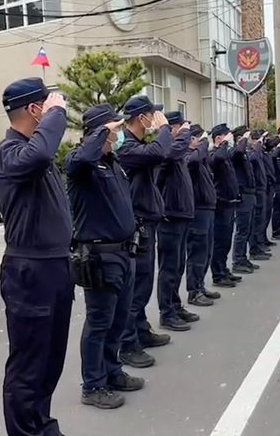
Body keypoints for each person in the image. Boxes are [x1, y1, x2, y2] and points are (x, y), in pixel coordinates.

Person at [0, 78, 73, 436]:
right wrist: (57, 115)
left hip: (55, 267)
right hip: (30, 272)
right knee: (29, 366)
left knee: (50, 361)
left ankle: (43, 427)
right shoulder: (8, 153)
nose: (56, 109)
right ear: (35, 109)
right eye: (48, 103)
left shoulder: (35, 150)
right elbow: (38, 156)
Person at [65, 104, 143, 410]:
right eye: (116, 128)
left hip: (124, 253)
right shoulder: (81, 162)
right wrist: (101, 132)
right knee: (99, 323)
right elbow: (84, 156)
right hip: (99, 257)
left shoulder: (113, 162)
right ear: (100, 130)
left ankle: (112, 371)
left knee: (118, 319)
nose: (121, 132)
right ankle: (93, 384)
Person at [117, 95, 172, 369]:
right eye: (153, 115)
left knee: (143, 283)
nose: (156, 119)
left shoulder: (138, 145)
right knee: (135, 288)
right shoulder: (127, 147)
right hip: (137, 226)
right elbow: (159, 153)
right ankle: (127, 344)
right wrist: (164, 130)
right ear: (142, 118)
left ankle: (140, 330)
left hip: (147, 222)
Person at [155, 111, 197, 331]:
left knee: (178, 265)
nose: (184, 132)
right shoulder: (166, 150)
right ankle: (166, 312)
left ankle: (175, 304)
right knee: (169, 268)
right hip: (169, 217)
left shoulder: (176, 152)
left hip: (180, 215)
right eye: (179, 127)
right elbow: (173, 153)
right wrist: (184, 133)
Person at [184, 124, 220, 306]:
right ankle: (193, 291)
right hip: (197, 210)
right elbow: (194, 160)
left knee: (206, 251)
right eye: (198, 138)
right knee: (197, 253)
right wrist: (204, 143)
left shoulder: (200, 157)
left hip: (207, 208)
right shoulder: (188, 156)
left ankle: (200, 285)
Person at [208, 124, 242, 287]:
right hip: (220, 204)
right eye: (226, 137)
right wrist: (223, 144)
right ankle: (218, 274)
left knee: (226, 240)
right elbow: (219, 157)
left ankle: (223, 269)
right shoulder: (214, 154)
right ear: (218, 138)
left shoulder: (224, 153)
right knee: (219, 242)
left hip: (229, 202)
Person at [230, 126, 258, 274]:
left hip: (250, 194)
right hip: (242, 195)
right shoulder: (236, 152)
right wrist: (244, 138)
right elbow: (239, 151)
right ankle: (237, 260)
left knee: (248, 228)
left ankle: (243, 257)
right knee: (241, 230)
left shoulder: (245, 153)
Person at [248, 130, 272, 261]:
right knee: (256, 221)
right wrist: (257, 144)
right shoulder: (250, 152)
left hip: (262, 188)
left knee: (261, 219)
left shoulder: (260, 152)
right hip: (256, 190)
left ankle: (259, 245)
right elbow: (254, 158)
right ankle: (254, 249)